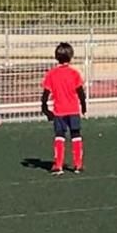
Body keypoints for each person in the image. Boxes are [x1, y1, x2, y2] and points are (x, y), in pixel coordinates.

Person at [41, 42, 87, 175]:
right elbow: (81, 93)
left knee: (59, 136)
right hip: (73, 110)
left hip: (59, 111)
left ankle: (58, 165)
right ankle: (78, 165)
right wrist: (83, 107)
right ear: (71, 56)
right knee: (76, 136)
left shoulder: (51, 74)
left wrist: (45, 110)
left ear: (56, 57)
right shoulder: (74, 74)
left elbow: (45, 95)